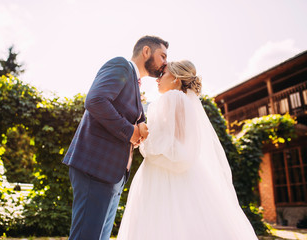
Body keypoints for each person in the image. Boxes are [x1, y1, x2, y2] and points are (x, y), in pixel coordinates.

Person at [117, 60, 259, 240]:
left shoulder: (172, 98)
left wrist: (142, 136)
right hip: (186, 171)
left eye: (163, 74)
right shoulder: (186, 102)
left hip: (163, 173)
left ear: (176, 79)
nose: (157, 79)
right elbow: (177, 141)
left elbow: (164, 143)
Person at [62, 35, 169, 240]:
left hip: (112, 174)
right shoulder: (121, 66)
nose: (165, 63)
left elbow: (129, 115)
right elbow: (96, 100)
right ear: (146, 51)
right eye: (162, 56)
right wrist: (130, 132)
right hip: (96, 168)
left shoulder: (136, 84)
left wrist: (138, 131)